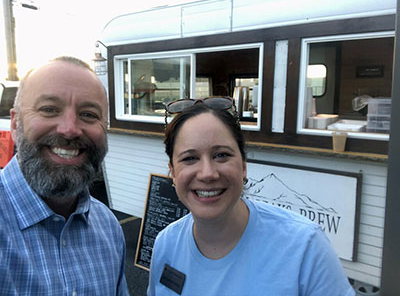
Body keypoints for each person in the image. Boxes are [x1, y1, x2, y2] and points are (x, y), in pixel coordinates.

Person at [148, 97, 355, 295]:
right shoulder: (166, 245)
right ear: (173, 172)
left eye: (221, 155)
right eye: (190, 158)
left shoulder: (304, 248)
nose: (208, 173)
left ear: (244, 166)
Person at [0, 56, 130, 295]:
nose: (70, 129)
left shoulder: (109, 227)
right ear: (16, 125)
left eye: (89, 114)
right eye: (49, 110)